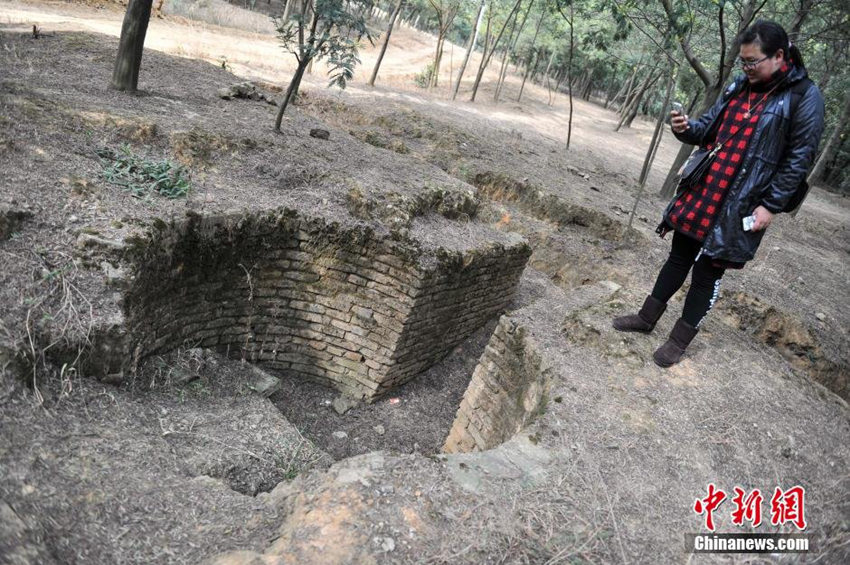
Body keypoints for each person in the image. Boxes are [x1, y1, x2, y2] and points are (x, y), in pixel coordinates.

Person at [612, 20, 825, 367]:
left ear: (779, 56)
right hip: (706, 189)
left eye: (752, 61)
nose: (746, 68)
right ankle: (646, 317)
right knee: (678, 257)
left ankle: (679, 341)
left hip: (741, 203)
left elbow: (799, 159)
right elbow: (708, 127)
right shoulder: (741, 83)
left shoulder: (804, 97)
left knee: (708, 272)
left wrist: (770, 205)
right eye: (743, 61)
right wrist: (686, 129)